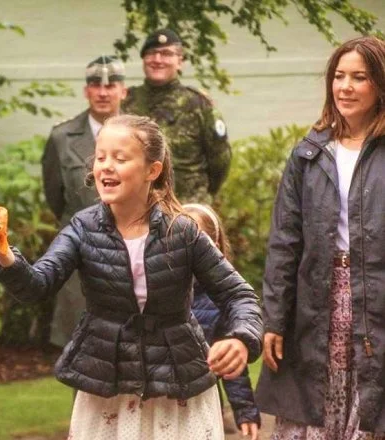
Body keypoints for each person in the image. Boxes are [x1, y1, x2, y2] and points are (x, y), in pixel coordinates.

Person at [0, 114, 262, 440]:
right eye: (100, 157)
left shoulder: (182, 232)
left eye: (120, 158)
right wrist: (3, 255)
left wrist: (240, 337)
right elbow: (39, 285)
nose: (106, 166)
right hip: (106, 387)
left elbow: (239, 295)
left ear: (153, 170)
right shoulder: (82, 227)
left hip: (177, 386)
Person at [256, 36, 385, 439]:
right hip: (316, 299)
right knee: (313, 403)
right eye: (339, 76)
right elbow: (284, 241)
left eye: (359, 77)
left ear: (380, 84)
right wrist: (274, 317)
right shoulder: (308, 153)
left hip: (376, 298)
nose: (345, 87)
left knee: (369, 403)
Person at [42, 55, 126, 349]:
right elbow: (55, 195)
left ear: (123, 91)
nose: (103, 92)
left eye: (110, 85)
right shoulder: (62, 137)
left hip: (133, 249)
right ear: (86, 90)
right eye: (94, 85)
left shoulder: (143, 134)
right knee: (81, 344)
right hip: (82, 251)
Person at [122, 28, 231, 204]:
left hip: (188, 209)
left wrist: (201, 194)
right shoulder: (126, 103)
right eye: (152, 53)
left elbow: (220, 160)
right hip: (137, 209)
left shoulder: (199, 105)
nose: (158, 60)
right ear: (143, 60)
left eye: (166, 54)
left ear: (180, 62)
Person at [183, 203, 261, 440]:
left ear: (213, 247)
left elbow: (231, 364)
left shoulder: (222, 299)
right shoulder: (155, 288)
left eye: (194, 238)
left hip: (203, 399)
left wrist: (245, 411)